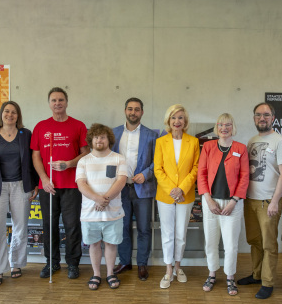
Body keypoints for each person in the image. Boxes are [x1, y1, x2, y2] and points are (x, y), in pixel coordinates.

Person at [31, 87, 89, 279]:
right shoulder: (40, 127)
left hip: (72, 186)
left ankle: (73, 264)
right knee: (49, 226)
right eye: (54, 100)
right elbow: (36, 156)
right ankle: (52, 262)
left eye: (61, 100)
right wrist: (44, 179)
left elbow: (86, 153)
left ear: (66, 102)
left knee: (72, 226)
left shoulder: (78, 125)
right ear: (49, 103)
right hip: (48, 186)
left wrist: (69, 164)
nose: (58, 103)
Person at [0, 101, 39, 286]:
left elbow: (32, 161)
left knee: (20, 227)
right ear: (1, 114)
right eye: (7, 111)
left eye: (14, 112)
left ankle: (16, 264)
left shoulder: (25, 134)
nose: (10, 115)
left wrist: (35, 183)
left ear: (18, 115)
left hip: (21, 186)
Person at [238, 102, 282, 299]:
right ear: (254, 118)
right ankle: (257, 274)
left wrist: (276, 201)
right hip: (250, 200)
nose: (262, 118)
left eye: (266, 115)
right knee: (254, 241)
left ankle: (268, 282)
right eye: (259, 115)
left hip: (269, 201)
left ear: (273, 118)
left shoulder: (280, 142)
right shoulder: (251, 141)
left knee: (269, 243)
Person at [197, 113, 249, 296]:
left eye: (228, 125)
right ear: (216, 127)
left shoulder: (241, 148)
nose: (224, 128)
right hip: (211, 202)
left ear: (232, 127)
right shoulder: (209, 147)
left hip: (232, 203)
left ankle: (230, 277)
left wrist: (234, 200)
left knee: (231, 244)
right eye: (221, 124)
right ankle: (212, 274)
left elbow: (244, 177)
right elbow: (201, 173)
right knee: (211, 242)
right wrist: (208, 199)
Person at [76, 124, 127, 290]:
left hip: (113, 212)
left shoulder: (119, 158)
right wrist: (97, 199)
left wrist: (104, 199)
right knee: (94, 244)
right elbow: (81, 184)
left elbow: (121, 181)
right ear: (91, 140)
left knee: (112, 244)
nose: (99, 140)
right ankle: (96, 274)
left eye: (103, 137)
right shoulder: (83, 161)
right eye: (96, 137)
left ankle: (110, 273)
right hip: (90, 213)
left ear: (109, 139)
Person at [154, 104, 199, 289]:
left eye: (180, 118)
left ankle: (179, 267)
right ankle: (168, 270)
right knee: (167, 234)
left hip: (185, 195)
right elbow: (158, 168)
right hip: (165, 195)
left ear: (185, 121)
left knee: (181, 233)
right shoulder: (161, 142)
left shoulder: (193, 142)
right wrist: (172, 189)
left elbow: (196, 168)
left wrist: (181, 189)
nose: (177, 121)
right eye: (173, 118)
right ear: (168, 121)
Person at [112, 98, 158, 281]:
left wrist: (146, 174)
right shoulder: (114, 133)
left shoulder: (152, 135)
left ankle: (142, 264)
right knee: (122, 227)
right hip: (120, 189)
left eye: (137, 109)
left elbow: (158, 162)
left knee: (144, 228)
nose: (133, 112)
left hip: (143, 188)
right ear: (125, 111)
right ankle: (125, 261)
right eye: (130, 109)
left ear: (142, 112)